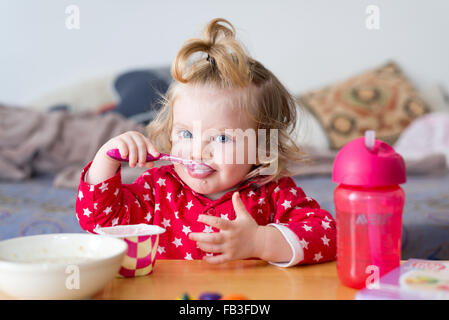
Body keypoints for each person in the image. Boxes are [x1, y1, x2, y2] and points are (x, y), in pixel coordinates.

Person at [76, 18, 336, 267]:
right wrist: (105, 160)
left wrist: (261, 241)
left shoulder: (273, 194)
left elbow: (329, 236)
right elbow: (99, 221)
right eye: (186, 134)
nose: (198, 151)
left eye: (222, 138)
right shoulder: (157, 189)